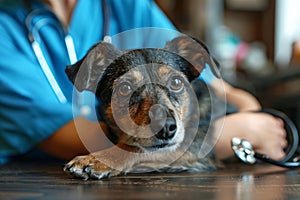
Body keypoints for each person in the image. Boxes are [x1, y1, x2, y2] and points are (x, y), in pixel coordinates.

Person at [0, 0, 287, 164]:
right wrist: (230, 135)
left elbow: (221, 90)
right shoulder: (4, 29)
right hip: (44, 180)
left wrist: (251, 114)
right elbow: (65, 139)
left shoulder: (127, 5)